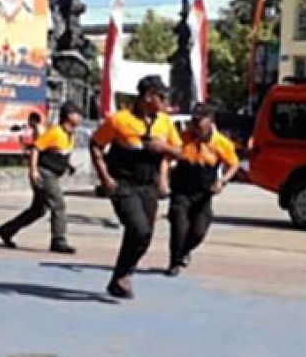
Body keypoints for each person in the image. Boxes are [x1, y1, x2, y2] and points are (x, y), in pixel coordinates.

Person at [90, 75, 182, 299]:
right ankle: (122, 275)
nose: (165, 102)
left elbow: (179, 152)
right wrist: (105, 178)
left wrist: (163, 163)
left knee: (146, 235)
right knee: (137, 228)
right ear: (149, 97)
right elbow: (96, 145)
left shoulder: (165, 122)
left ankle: (121, 275)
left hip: (149, 185)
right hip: (123, 183)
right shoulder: (119, 120)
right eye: (162, 97)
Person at [0, 102, 83, 254]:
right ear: (69, 116)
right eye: (77, 113)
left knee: (38, 210)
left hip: (53, 173)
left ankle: (6, 230)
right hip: (44, 173)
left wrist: (69, 166)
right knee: (58, 204)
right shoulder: (54, 132)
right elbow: (36, 149)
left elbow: (60, 153)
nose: (80, 117)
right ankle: (58, 240)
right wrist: (33, 170)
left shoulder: (70, 135)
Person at [165, 103, 239, 277]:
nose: (195, 125)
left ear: (210, 121)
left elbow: (233, 164)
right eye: (194, 120)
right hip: (181, 190)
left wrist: (222, 181)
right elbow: (168, 157)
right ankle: (174, 262)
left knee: (198, 232)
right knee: (179, 226)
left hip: (203, 193)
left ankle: (185, 251)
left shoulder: (222, 143)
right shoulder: (182, 138)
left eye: (199, 121)